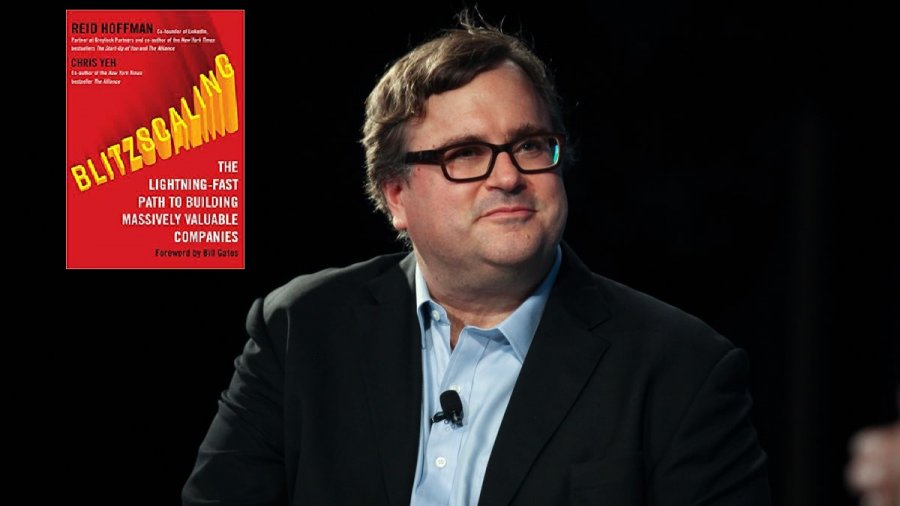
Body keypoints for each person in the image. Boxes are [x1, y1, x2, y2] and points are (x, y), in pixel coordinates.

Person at [183, 13, 771, 505]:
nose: (509, 177)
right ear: (396, 195)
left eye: (530, 145)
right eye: (465, 154)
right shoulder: (299, 328)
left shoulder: (683, 369)